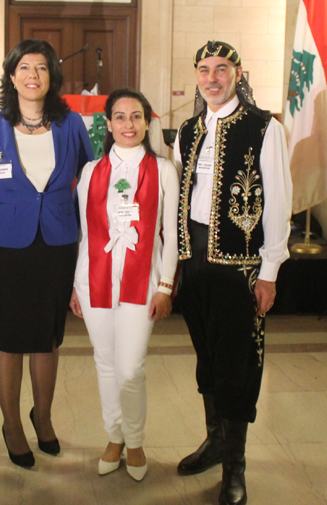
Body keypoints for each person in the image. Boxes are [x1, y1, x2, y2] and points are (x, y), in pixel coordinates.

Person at [173, 41, 292, 505]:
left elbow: (278, 201)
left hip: (241, 267)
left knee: (237, 366)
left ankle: (235, 467)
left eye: (221, 69)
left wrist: (271, 270)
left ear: (238, 73)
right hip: (195, 260)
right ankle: (215, 440)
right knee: (206, 358)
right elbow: (182, 199)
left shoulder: (264, 127)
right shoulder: (187, 129)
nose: (212, 78)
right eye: (204, 69)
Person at [0, 39, 94, 468]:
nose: (32, 76)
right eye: (24, 67)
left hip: (59, 244)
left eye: (41, 68)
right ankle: (12, 424)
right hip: (7, 247)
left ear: (51, 77)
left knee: (47, 335)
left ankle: (42, 417)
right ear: (11, 75)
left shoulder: (73, 125)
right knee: (7, 337)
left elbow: (92, 182)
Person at [70, 88, 179, 481]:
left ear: (147, 121)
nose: (128, 125)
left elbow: (170, 234)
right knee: (105, 362)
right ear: (109, 123)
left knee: (130, 367)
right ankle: (114, 436)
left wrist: (165, 286)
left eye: (136, 117)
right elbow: (83, 234)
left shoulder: (163, 169)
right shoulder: (90, 171)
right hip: (94, 281)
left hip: (142, 283)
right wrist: (74, 285)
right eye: (120, 117)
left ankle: (135, 440)